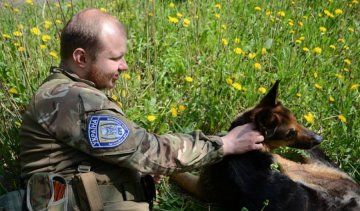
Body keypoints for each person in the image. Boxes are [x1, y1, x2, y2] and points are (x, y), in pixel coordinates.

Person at [19, 8, 264, 211]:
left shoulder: (66, 94)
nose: (124, 66)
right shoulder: (73, 99)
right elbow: (149, 151)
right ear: (81, 58)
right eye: (115, 58)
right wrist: (225, 144)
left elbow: (99, 160)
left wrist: (134, 174)